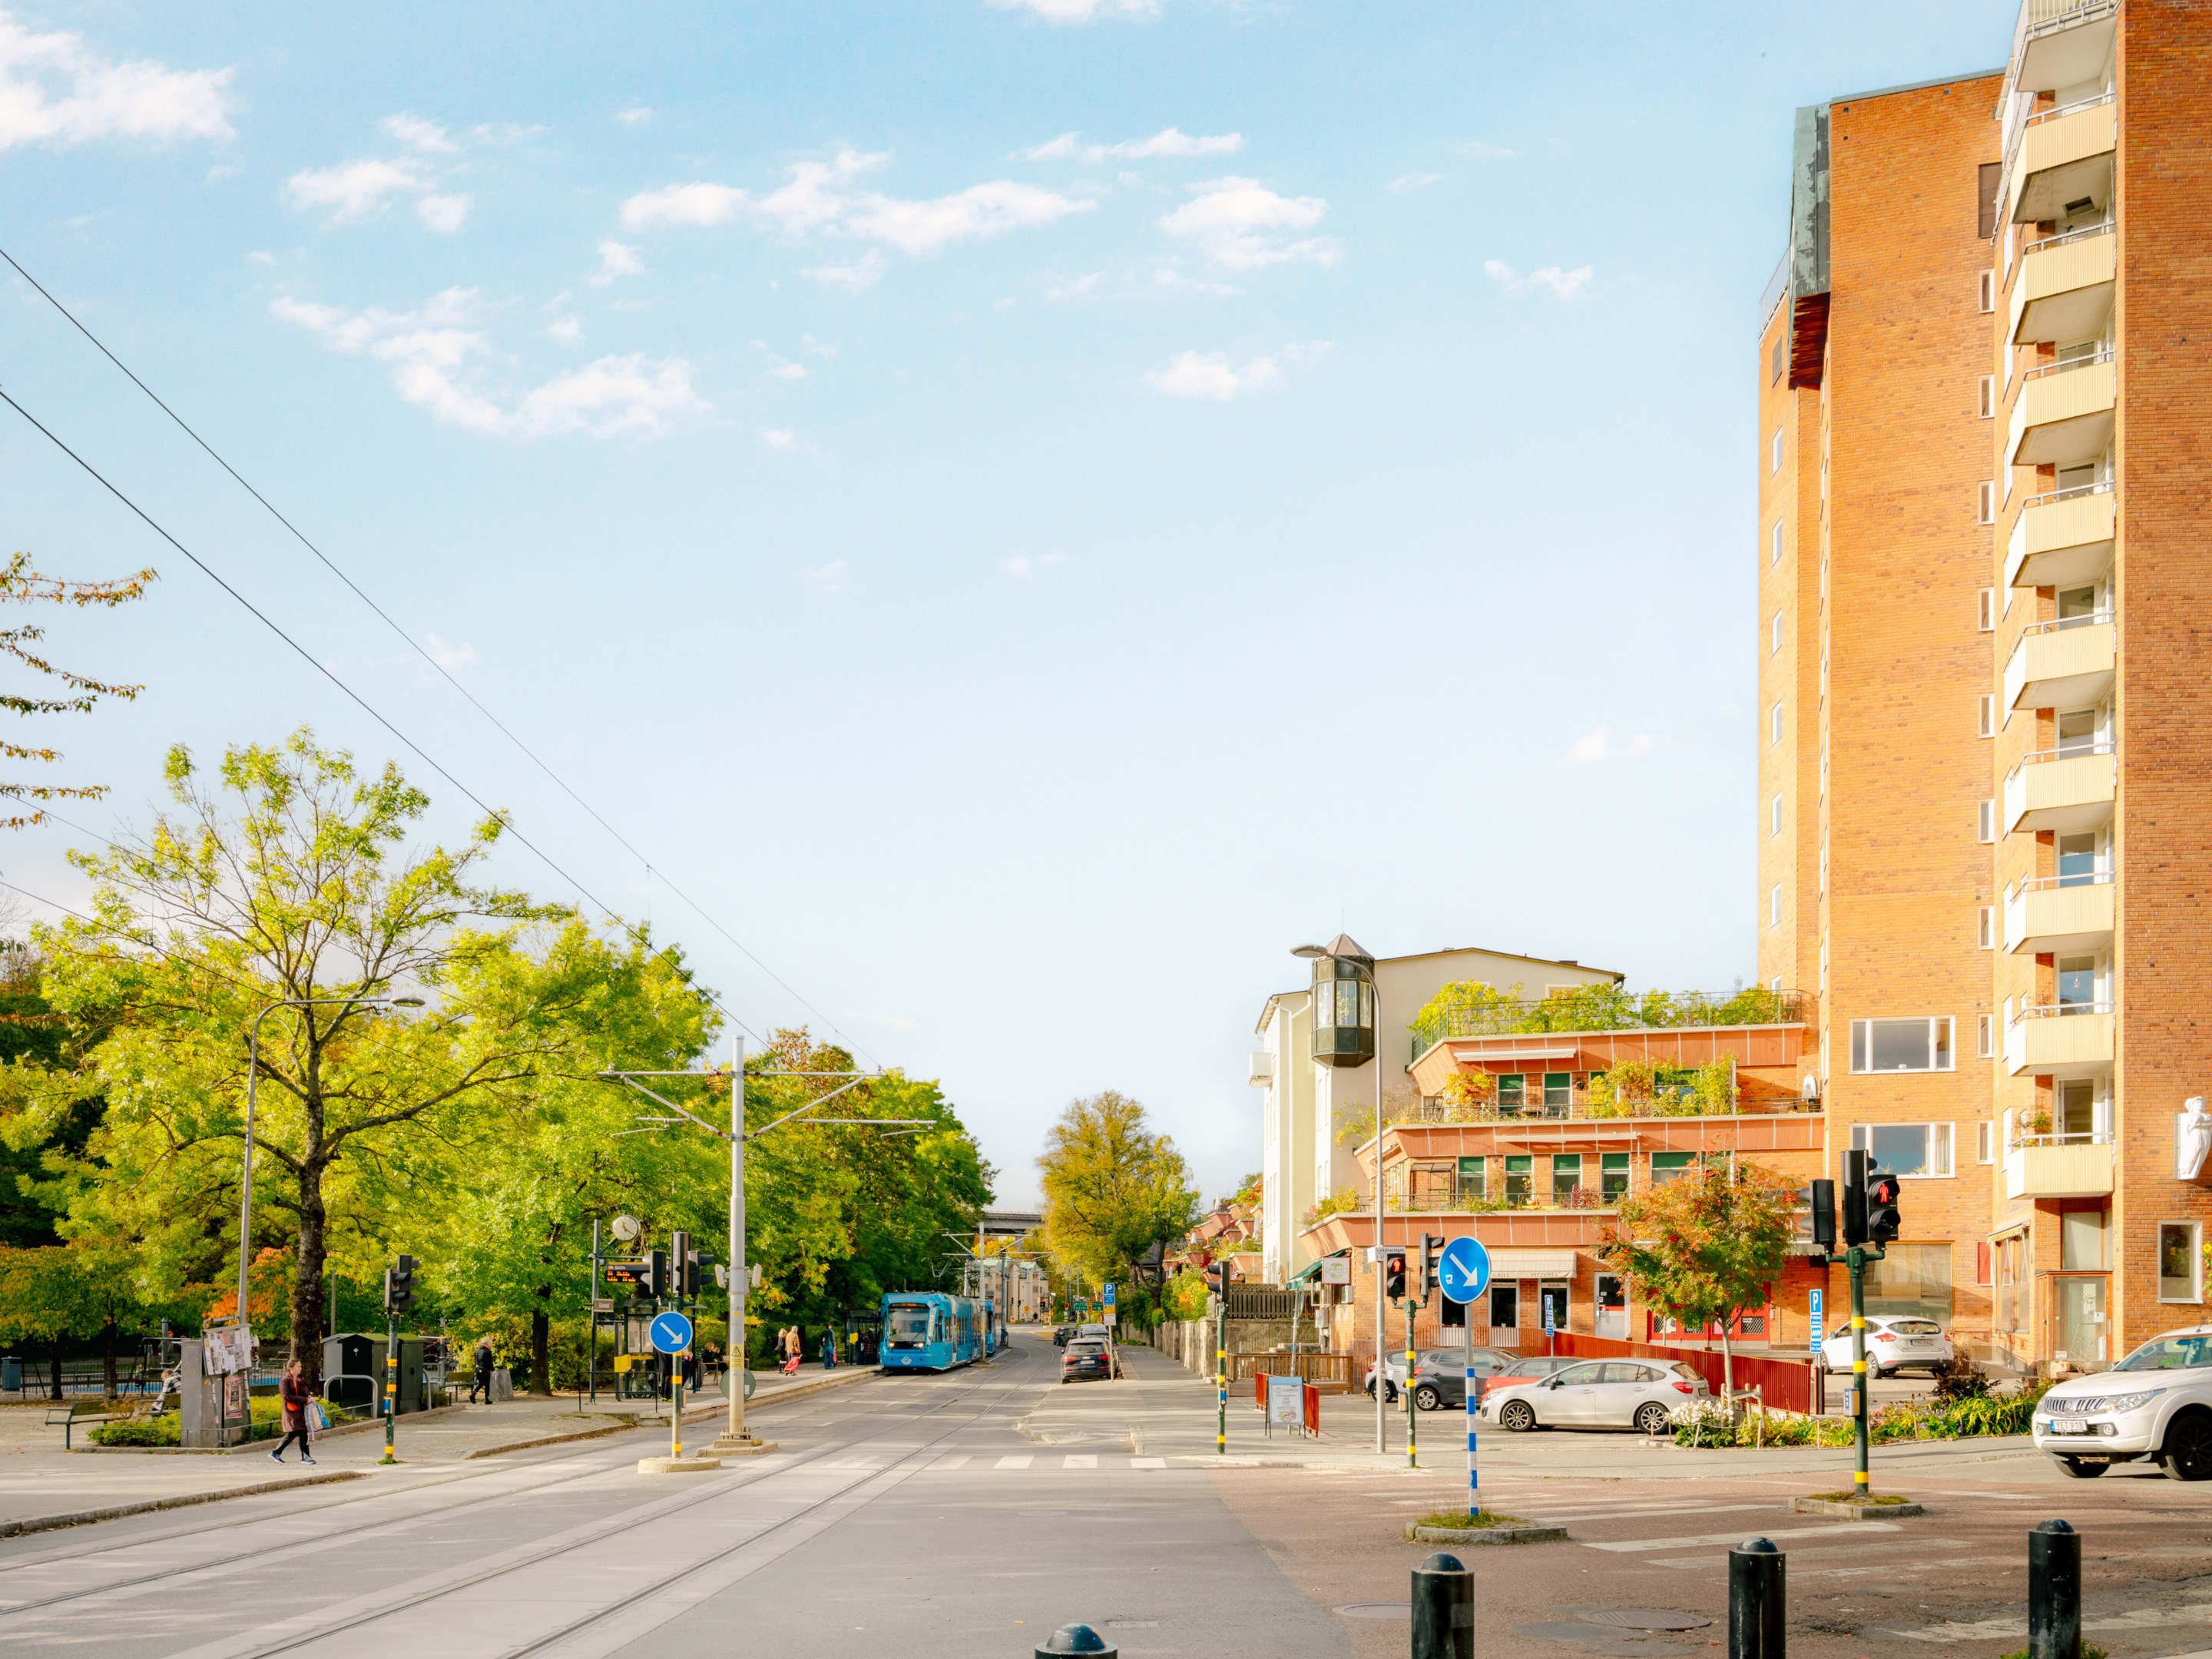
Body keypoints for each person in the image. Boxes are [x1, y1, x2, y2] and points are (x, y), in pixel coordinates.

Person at [269, 1358, 315, 1465]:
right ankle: (304, 1457)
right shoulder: (285, 1381)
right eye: (298, 1366)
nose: (300, 1368)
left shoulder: (300, 1380)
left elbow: (306, 1392)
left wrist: (310, 1397)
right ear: (291, 1368)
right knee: (296, 1432)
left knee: (299, 1432)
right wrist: (305, 1400)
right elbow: (287, 1396)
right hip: (291, 1411)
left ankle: (279, 1453)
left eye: (301, 1366)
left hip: (300, 1410)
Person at [469, 1337, 495, 1404]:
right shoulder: (487, 1351)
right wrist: (493, 1370)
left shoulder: (477, 1351)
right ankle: (481, 1397)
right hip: (485, 1370)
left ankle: (485, 1398)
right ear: (488, 1343)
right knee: (486, 1384)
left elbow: (476, 1362)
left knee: (482, 1383)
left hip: (478, 1370)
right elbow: (490, 1362)